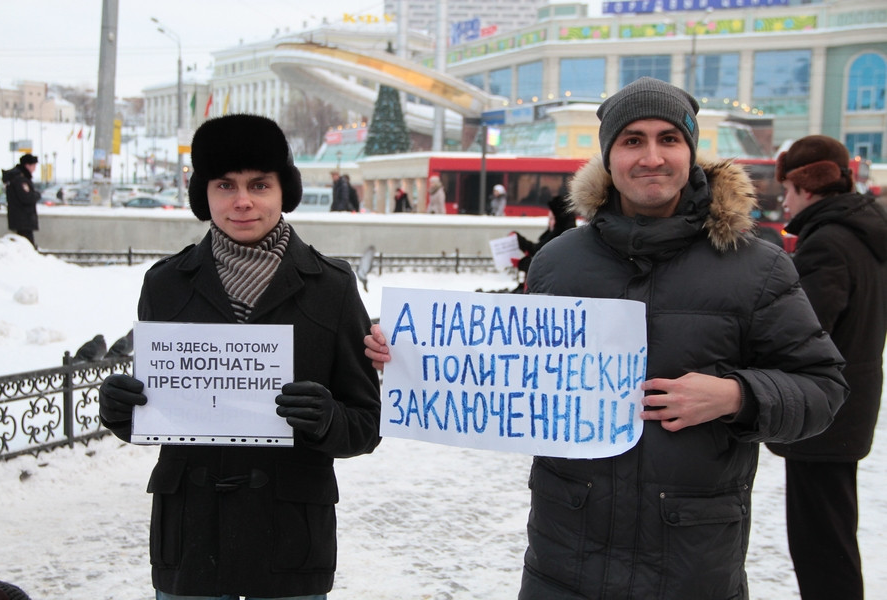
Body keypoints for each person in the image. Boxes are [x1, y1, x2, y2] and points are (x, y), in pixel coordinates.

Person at [364, 77, 848, 599]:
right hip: (564, 560)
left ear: (690, 152)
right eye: (632, 140)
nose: (652, 157)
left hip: (692, 565)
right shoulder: (557, 261)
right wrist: (415, 353)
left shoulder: (756, 265)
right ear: (609, 156)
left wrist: (736, 395)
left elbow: (823, 387)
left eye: (669, 139)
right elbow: (514, 366)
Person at [97, 114, 381, 600]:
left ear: (284, 191)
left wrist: (328, 419)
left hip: (289, 542)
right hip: (191, 541)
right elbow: (160, 410)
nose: (243, 201)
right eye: (225, 184)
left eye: (259, 184)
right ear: (203, 194)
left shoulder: (332, 288)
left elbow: (367, 424)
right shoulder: (165, 285)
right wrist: (123, 411)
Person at [766, 135, 887, 600]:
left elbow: (804, 333)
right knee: (833, 535)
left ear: (808, 186)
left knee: (821, 546)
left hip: (824, 413)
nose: (785, 201)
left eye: (787, 190)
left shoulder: (827, 243)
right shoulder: (864, 232)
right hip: (850, 406)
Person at [511, 194, 577, 283]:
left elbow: (546, 267)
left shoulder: (560, 242)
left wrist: (523, 264)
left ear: (559, 221)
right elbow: (536, 250)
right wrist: (519, 240)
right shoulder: (558, 237)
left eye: (551, 219)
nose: (549, 222)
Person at [1, 154, 40, 248]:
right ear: (27, 165)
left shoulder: (17, 177)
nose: (35, 168)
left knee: (24, 245)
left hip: (20, 218)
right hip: (23, 219)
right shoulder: (20, 179)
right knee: (27, 246)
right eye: (34, 165)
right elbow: (26, 197)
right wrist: (37, 195)